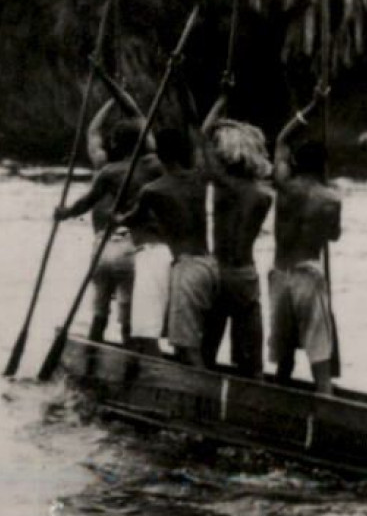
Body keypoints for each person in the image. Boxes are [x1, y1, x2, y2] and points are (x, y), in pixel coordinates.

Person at [54, 119, 163, 345]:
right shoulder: (153, 167)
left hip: (102, 247)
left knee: (99, 310)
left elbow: (86, 202)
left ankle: (92, 354)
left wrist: (64, 213)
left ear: (116, 144)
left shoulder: (107, 171)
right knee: (128, 317)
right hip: (129, 247)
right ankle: (128, 364)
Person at [115, 126, 216, 367]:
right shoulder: (200, 178)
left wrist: (115, 218)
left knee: (184, 346)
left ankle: (196, 396)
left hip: (187, 269)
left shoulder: (153, 190)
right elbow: (203, 135)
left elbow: (131, 218)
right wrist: (221, 99)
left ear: (160, 156)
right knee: (193, 343)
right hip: (211, 266)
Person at [196, 81, 275, 376]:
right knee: (250, 356)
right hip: (243, 273)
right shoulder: (262, 195)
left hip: (217, 271)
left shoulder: (222, 187)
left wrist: (221, 101)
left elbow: (203, 136)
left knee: (208, 344)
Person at [269, 90, 342, 394]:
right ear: (323, 167)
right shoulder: (331, 199)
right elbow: (333, 235)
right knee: (319, 357)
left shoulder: (284, 186)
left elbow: (281, 141)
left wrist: (311, 107)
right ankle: (325, 401)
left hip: (279, 276)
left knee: (283, 357)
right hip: (308, 277)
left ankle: (279, 399)